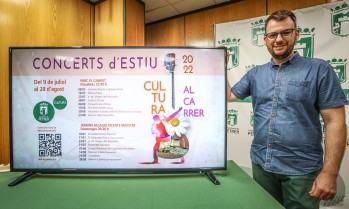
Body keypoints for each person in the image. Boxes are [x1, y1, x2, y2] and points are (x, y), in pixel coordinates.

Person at [226, 10, 347, 209]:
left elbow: (335, 122)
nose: (279, 39)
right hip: (262, 165)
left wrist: (329, 173)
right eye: (273, 35)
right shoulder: (255, 74)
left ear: (296, 34)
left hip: (301, 170)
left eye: (285, 33)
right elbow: (229, 96)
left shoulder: (319, 69)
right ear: (265, 39)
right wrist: (220, 66)